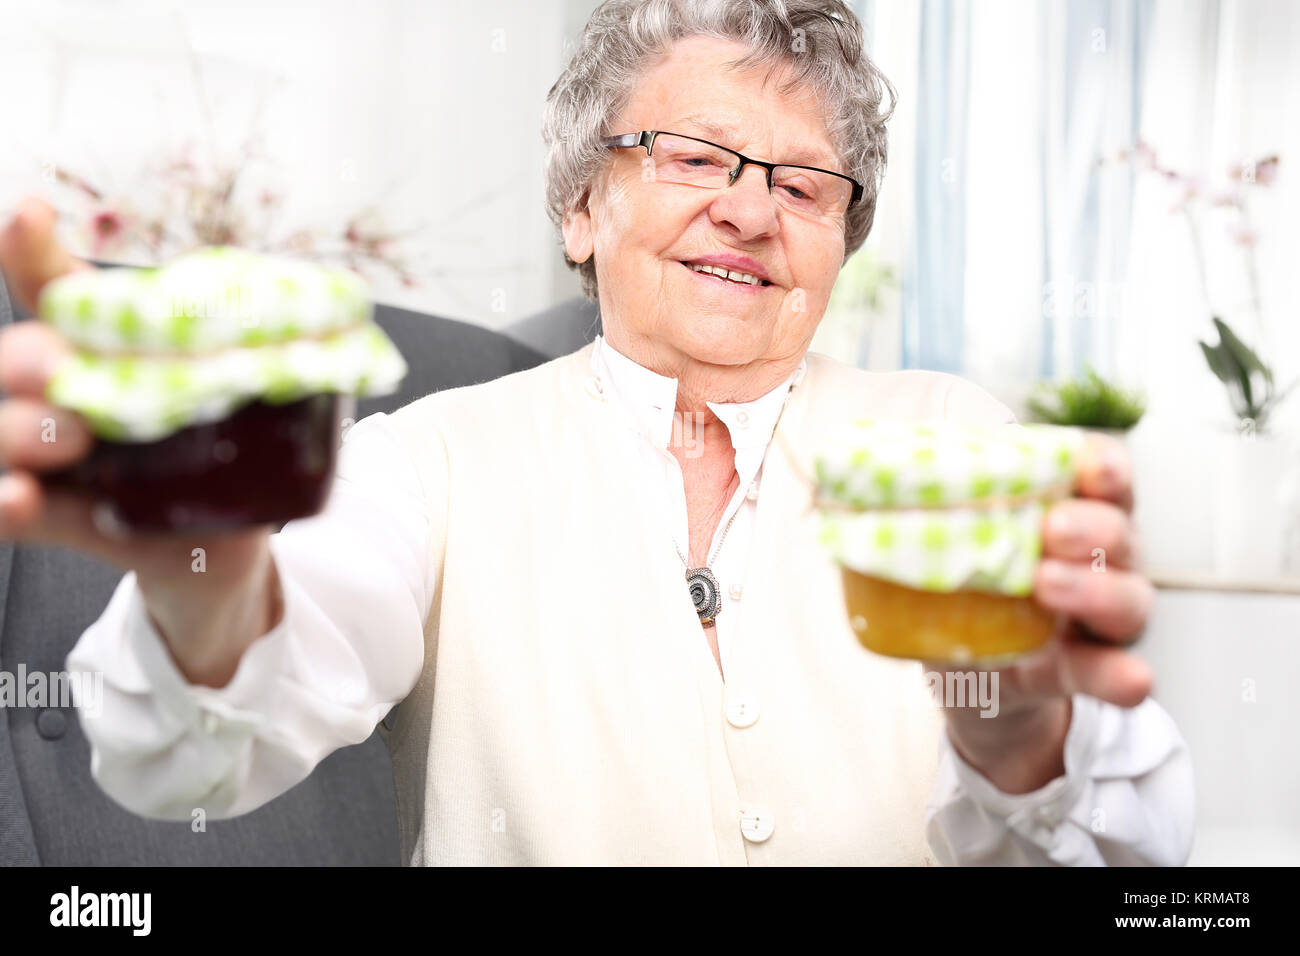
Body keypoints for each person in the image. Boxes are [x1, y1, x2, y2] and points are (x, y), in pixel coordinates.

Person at [0, 0, 1192, 865]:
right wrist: (207, 587)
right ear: (581, 205)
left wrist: (1022, 737)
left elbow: (1139, 856)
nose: (748, 208)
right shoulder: (428, 460)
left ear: (841, 236)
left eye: (802, 184)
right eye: (692, 157)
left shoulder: (960, 441)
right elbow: (191, 747)